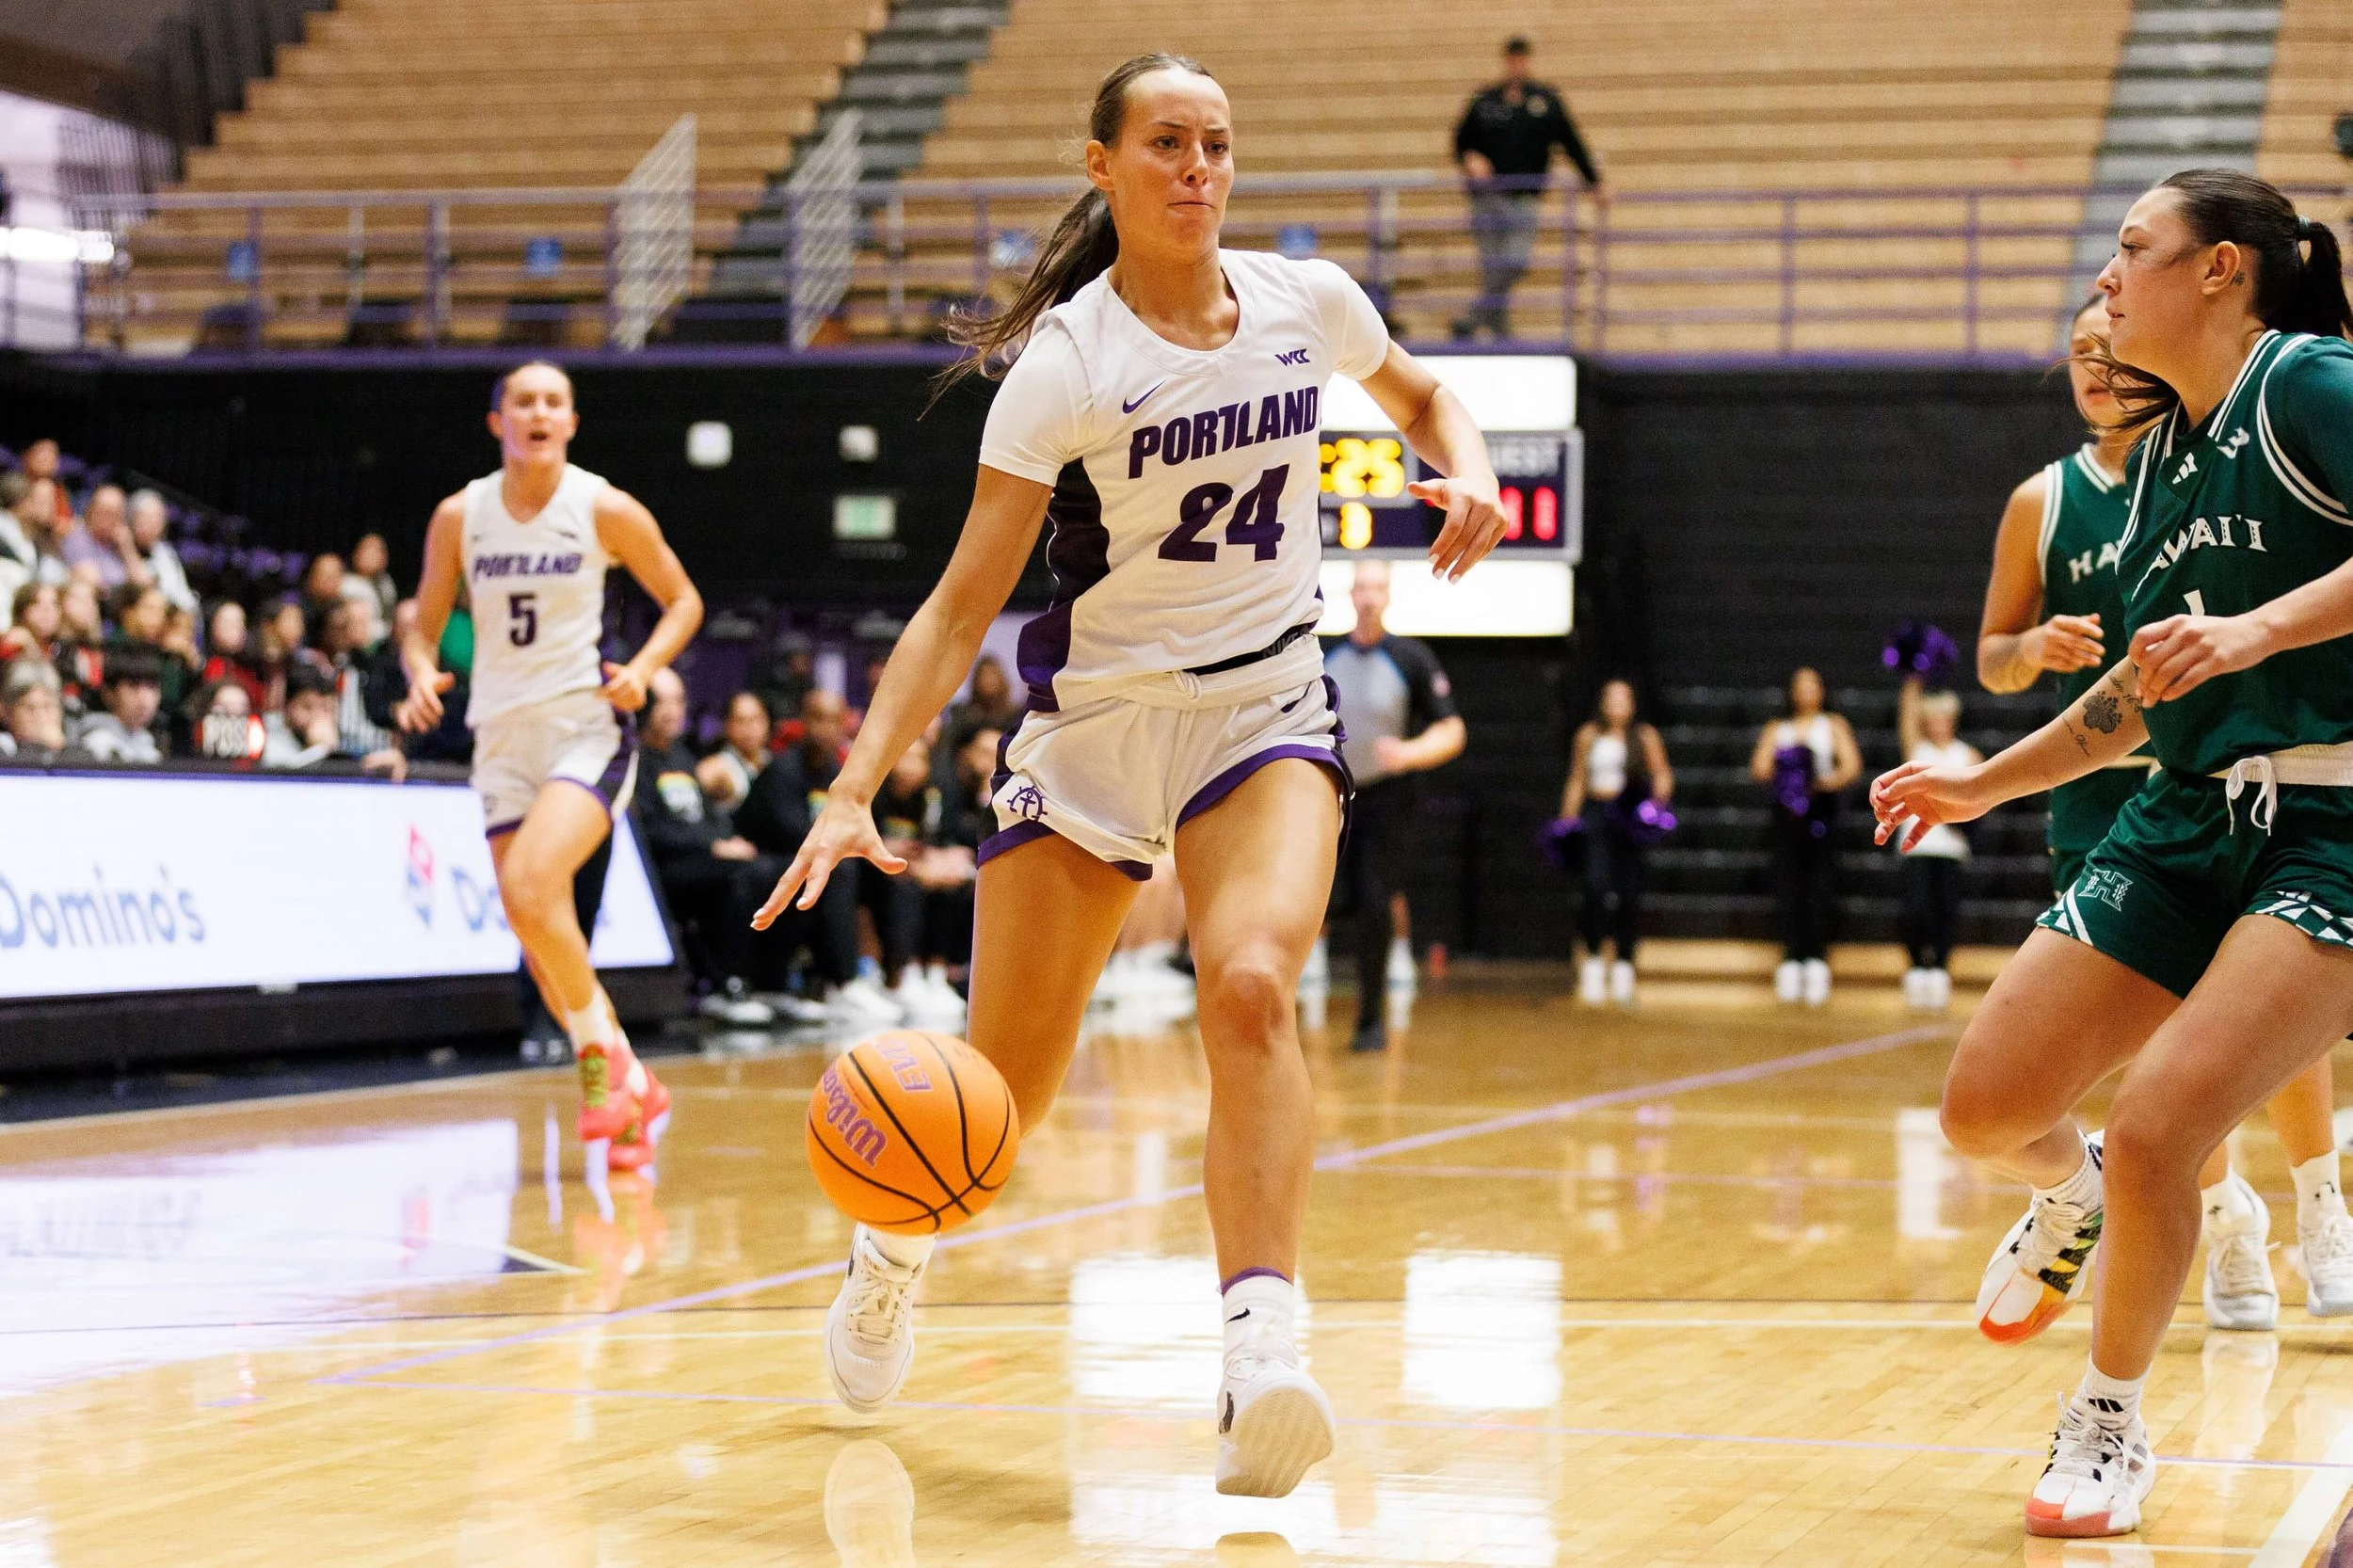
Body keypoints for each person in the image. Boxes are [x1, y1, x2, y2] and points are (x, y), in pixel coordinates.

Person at [753, 53, 1509, 1497]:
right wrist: (853, 786)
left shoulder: (1307, 302)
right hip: (1094, 730)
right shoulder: (1068, 364)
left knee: (1247, 985)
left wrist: (1464, 466)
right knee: (997, 1104)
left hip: (1263, 711)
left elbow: (1427, 398)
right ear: (1102, 166)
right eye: (1166, 143)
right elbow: (957, 608)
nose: (1198, 169)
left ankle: (1262, 1352)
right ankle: (894, 1244)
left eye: (1217, 143)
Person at [1872, 168, 2353, 1540]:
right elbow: (2131, 698)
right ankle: (2066, 1193)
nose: (2103, 277)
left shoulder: (2307, 383)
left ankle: (2109, 1417)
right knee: (1981, 1109)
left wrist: (2263, 631)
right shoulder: (2156, 466)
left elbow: (2239, 638)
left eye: (2131, 251)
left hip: (2334, 816)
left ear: (2219, 271)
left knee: (2162, 1129)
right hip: (2187, 809)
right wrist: (1981, 782)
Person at [1973, 291, 2344, 1338]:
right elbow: (1997, 657)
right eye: (2079, 352)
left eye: (2109, 342)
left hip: (2283, 785)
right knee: (2141, 1069)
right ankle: (2223, 1222)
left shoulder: (2271, 412)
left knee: (2253, 1028)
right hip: (2113, 798)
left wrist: (2256, 633)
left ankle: (2320, 1205)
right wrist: (2025, 658)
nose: (2096, 362)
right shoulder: (2050, 500)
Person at [394, 360, 704, 1176]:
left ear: (570, 422)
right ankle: (631, 1077)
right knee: (533, 922)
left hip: (584, 726)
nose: (538, 412)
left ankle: (600, 1066)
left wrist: (642, 668)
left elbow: (683, 600)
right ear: (497, 421)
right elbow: (421, 626)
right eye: (522, 401)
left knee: (533, 886)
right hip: (498, 736)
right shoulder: (460, 515)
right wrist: (420, 672)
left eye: (553, 402)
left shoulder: (602, 506)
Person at [1320, 560, 1465, 1050]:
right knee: (1321, 900)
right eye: (1362, 587)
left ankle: (1370, 1017)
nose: (1368, 597)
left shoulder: (1410, 658)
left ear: (1388, 596)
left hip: (1387, 800)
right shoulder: (1323, 654)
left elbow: (1452, 729)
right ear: (1351, 594)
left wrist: (1409, 754)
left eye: (1377, 588)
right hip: (1327, 797)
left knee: (1376, 902)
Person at [737, 688, 899, 1020]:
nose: (825, 728)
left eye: (834, 720)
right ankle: (844, 981)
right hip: (768, 865)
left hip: (810, 864)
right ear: (803, 722)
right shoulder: (783, 770)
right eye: (817, 719)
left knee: (895, 877)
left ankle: (902, 975)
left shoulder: (835, 772)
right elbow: (794, 834)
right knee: (841, 871)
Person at [634, 667, 780, 1028]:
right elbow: (650, 830)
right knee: (743, 876)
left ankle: (769, 982)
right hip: (662, 872)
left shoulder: (683, 758)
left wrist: (726, 840)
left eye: (679, 700)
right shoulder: (635, 760)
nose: (671, 710)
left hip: (703, 862)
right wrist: (714, 845)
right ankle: (726, 984)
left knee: (775, 871)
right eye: (662, 701)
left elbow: (709, 815)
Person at [1449, 35, 1604, 341]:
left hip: (1524, 197)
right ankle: (1497, 327)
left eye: (1522, 59)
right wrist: (1471, 158)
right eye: (1512, 59)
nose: (1517, 65)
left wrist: (1594, 182)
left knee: (1516, 261)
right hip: (1487, 197)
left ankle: (1473, 317)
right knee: (1492, 265)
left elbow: (1571, 142)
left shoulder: (1545, 101)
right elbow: (1461, 140)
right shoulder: (1485, 101)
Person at [1748, 666, 1860, 1004]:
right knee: (1789, 888)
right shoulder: (1777, 728)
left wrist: (1819, 782)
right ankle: (1792, 959)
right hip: (1786, 818)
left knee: (1820, 888)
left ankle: (1816, 961)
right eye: (1800, 685)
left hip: (1822, 815)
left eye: (1813, 684)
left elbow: (1851, 767)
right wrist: (1788, 775)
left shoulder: (1833, 724)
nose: (1807, 691)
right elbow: (1758, 767)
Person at [1559, 678, 1673, 1004]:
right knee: (1594, 886)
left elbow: (1662, 774)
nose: (1617, 705)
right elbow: (1577, 779)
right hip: (1597, 813)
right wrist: (1567, 821)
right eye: (1612, 698)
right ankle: (1593, 958)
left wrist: (1656, 804)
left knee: (1629, 891)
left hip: (1630, 815)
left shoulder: (1645, 736)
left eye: (1624, 699)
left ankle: (1624, 962)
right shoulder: (1588, 735)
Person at [1890, 680, 1977, 1007]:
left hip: (1951, 849)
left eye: (1944, 717)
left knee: (1946, 911)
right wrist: (1913, 678)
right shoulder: (1918, 751)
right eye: (1933, 717)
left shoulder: (1966, 754)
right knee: (1915, 909)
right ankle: (1915, 966)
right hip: (1917, 847)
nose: (1939, 723)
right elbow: (1906, 717)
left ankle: (1940, 967)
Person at [74, 647, 166, 763]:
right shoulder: (97, 745)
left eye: (151, 687)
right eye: (133, 686)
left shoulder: (148, 746)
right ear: (109, 693)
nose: (144, 699)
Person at [696, 689, 772, 810]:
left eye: (755, 719)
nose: (749, 728)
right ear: (727, 725)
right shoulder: (718, 765)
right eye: (741, 721)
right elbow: (705, 773)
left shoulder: (773, 762)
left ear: (767, 722)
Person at [264, 659, 340, 768]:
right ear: (286, 707)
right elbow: (286, 775)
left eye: (326, 708)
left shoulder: (338, 735)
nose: (317, 716)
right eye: (307, 707)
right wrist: (321, 749)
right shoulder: (267, 736)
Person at [129, 489, 196, 613]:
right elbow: (140, 581)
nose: (152, 524)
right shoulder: (120, 545)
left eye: (157, 519)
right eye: (145, 517)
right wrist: (126, 546)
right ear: (131, 518)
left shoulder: (166, 553)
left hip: (166, 614)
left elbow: (181, 596)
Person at [345, 532, 397, 623]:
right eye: (369, 551)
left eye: (379, 551)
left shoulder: (386, 582)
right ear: (356, 555)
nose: (374, 556)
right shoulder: (347, 586)